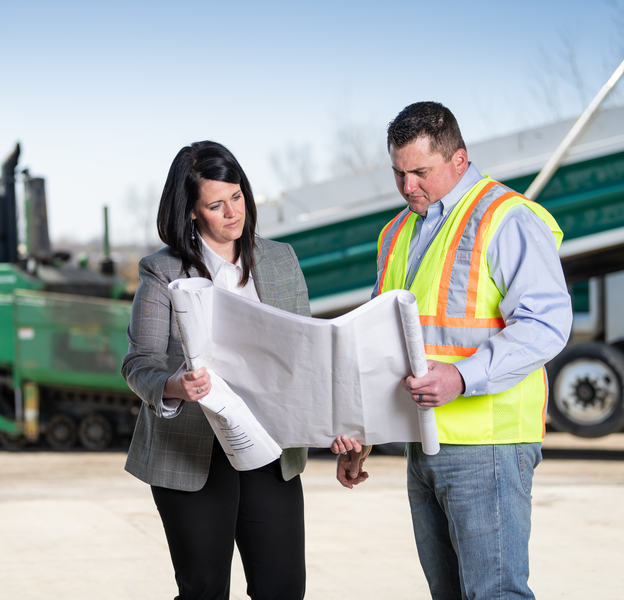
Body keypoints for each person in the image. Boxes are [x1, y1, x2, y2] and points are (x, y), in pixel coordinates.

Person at [333, 101, 572, 599]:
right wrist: (366, 432)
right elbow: (384, 343)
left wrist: (461, 377)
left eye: (421, 171)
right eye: (398, 173)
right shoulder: (398, 231)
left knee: (494, 593)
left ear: (459, 160)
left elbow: (546, 324)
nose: (407, 186)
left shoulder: (506, 218)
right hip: (422, 444)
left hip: (487, 445)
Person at [122, 140, 310, 600]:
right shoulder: (162, 271)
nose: (232, 213)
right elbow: (139, 363)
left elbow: (309, 357)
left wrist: (339, 425)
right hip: (192, 451)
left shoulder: (280, 260)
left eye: (238, 196)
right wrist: (176, 385)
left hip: (270, 446)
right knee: (204, 590)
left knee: (283, 588)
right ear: (190, 212)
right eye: (216, 204)